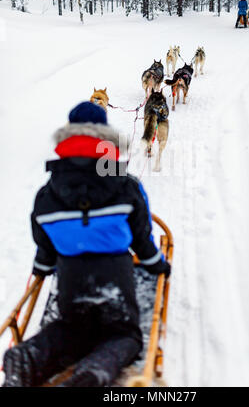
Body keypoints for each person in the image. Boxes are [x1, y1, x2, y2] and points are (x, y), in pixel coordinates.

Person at [2, 102, 171, 388]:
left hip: (70, 281)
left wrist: (43, 268)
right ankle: (91, 374)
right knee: (125, 336)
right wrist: (158, 264)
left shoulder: (48, 192)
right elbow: (142, 239)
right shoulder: (124, 184)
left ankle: (25, 358)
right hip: (115, 277)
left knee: (71, 330)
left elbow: (43, 244)